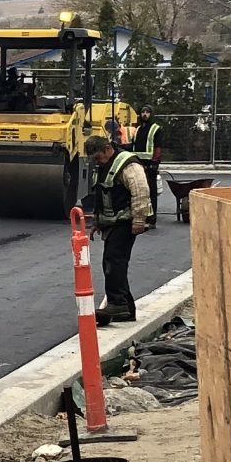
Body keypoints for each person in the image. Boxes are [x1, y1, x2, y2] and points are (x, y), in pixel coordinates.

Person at [87, 132, 152, 327]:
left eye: (98, 157)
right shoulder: (103, 167)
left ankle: (118, 303)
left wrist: (139, 220)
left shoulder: (127, 164)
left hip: (126, 221)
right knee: (114, 261)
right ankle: (125, 309)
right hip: (113, 222)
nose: (97, 162)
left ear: (108, 149)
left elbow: (141, 191)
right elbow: (102, 195)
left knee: (114, 260)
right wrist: (97, 221)